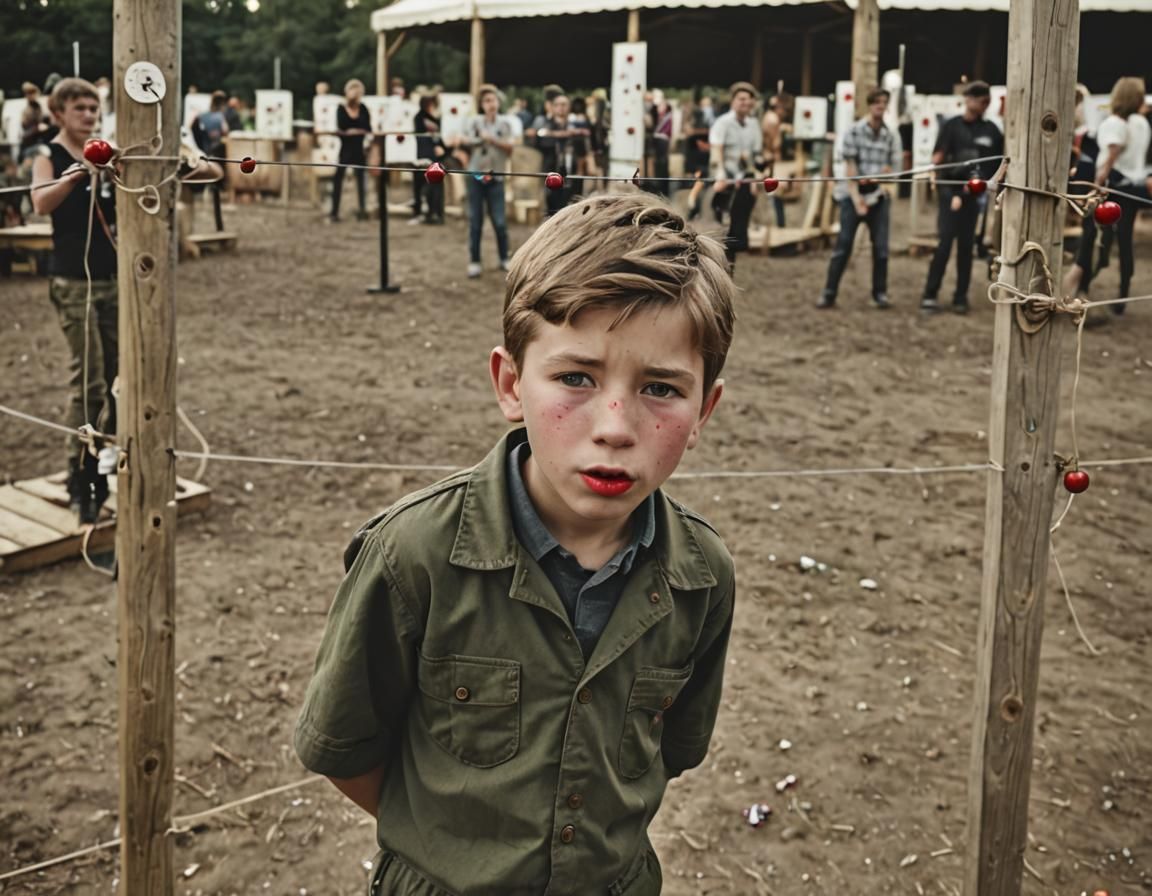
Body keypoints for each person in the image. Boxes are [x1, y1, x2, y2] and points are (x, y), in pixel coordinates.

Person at [295, 191, 737, 896]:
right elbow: (348, 750)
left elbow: (671, 749)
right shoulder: (413, 555)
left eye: (660, 388)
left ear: (705, 407)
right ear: (510, 384)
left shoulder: (702, 577)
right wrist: (459, 850)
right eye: (575, 378)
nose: (616, 426)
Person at [30, 78, 118, 525]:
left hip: (114, 281)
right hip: (74, 283)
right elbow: (40, 203)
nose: (89, 115)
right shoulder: (51, 156)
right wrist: (78, 173)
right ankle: (79, 476)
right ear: (58, 112)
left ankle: (105, 470)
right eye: (80, 108)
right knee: (89, 383)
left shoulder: (108, 153)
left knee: (120, 380)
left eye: (94, 108)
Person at [920, 81, 1004, 315]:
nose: (980, 104)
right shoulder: (951, 126)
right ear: (968, 100)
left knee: (966, 248)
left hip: (974, 197)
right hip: (950, 193)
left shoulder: (992, 131)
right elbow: (938, 158)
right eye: (976, 99)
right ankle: (930, 294)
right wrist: (944, 190)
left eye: (984, 100)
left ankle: (960, 296)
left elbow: (997, 166)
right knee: (944, 245)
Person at [818, 87, 903, 310]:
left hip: (879, 195)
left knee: (881, 249)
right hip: (851, 195)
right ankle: (829, 293)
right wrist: (857, 199)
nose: (880, 107)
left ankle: (880, 293)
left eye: (884, 103)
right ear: (870, 105)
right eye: (877, 103)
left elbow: (893, 170)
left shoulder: (891, 135)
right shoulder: (854, 131)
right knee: (843, 246)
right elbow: (850, 169)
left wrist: (875, 179)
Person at [1092, 76, 1150, 312]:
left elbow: (1113, 152)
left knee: (1098, 235)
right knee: (1126, 239)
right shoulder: (1142, 123)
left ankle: (1087, 277)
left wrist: (1099, 181)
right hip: (1133, 184)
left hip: (1114, 184)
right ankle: (1123, 293)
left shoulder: (1115, 123)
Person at [710, 81, 765, 272]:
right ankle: (716, 269)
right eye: (741, 99)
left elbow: (756, 155)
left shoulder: (754, 125)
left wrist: (756, 177)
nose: (746, 103)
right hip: (725, 180)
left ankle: (729, 270)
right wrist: (720, 175)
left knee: (737, 230)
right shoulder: (723, 123)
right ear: (733, 101)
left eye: (749, 99)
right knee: (721, 229)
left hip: (745, 180)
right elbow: (717, 151)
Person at [462, 84, 516, 278]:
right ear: (481, 105)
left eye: (492, 100)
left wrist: (492, 139)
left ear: (498, 102)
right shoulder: (474, 122)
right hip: (476, 176)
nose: (490, 104)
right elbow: (465, 141)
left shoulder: (505, 124)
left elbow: (510, 148)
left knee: (500, 222)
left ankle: (504, 258)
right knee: (475, 221)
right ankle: (474, 261)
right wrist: (479, 139)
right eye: (486, 101)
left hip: (496, 176)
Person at [534, 94, 588, 216]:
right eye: (557, 105)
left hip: (572, 173)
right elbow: (541, 142)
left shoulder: (576, 125)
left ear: (569, 107)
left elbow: (582, 150)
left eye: (564, 104)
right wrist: (566, 134)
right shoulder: (545, 124)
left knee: (573, 211)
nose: (561, 108)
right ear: (552, 108)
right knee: (552, 210)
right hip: (552, 172)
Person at [331, 78, 371, 222]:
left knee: (361, 180)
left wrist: (355, 131)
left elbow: (368, 127)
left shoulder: (363, 108)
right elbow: (341, 126)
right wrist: (352, 131)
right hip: (346, 149)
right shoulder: (341, 109)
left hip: (359, 149)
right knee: (338, 179)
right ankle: (334, 212)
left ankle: (362, 210)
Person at [413, 93, 446, 224]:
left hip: (435, 159)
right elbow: (421, 137)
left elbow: (440, 138)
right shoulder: (419, 118)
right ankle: (426, 212)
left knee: (436, 186)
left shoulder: (437, 118)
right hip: (424, 158)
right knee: (424, 187)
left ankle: (437, 213)